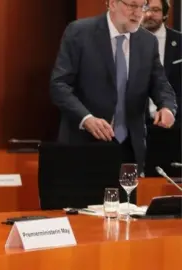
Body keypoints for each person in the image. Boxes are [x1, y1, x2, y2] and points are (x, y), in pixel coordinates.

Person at [50, 0, 177, 169]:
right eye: (132, 5)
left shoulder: (147, 41)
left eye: (142, 6)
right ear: (112, 3)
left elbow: (161, 85)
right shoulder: (79, 32)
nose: (139, 13)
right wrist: (86, 118)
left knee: (129, 195)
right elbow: (59, 85)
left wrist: (167, 108)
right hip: (84, 144)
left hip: (129, 148)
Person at [142, 0, 181, 126]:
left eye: (155, 10)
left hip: (174, 124)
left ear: (165, 14)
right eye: (144, 9)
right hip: (136, 126)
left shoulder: (180, 42)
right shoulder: (125, 42)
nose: (148, 14)